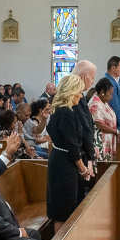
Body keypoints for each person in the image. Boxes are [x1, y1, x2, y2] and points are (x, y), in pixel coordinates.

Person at [47, 74, 92, 229]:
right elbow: (72, 146)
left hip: (60, 159)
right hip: (64, 164)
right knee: (62, 209)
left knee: (67, 204)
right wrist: (83, 168)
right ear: (71, 92)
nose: (80, 95)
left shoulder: (59, 109)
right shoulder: (65, 112)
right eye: (79, 92)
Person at [71, 61, 98, 197]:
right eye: (92, 77)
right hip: (79, 154)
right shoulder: (75, 97)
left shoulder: (79, 95)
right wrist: (91, 153)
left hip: (83, 151)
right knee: (81, 195)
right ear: (84, 76)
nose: (93, 81)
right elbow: (84, 129)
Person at [87, 78, 118, 161]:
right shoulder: (95, 104)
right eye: (110, 93)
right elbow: (99, 124)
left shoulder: (103, 102)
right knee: (102, 169)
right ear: (102, 92)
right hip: (99, 142)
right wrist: (115, 131)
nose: (111, 96)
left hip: (106, 141)